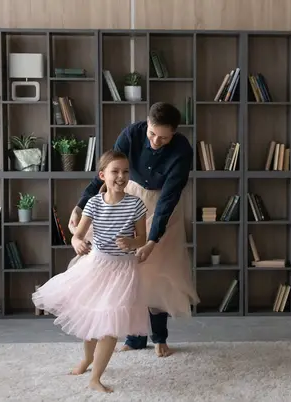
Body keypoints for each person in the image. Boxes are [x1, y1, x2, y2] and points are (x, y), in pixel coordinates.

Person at [68, 102, 199, 358]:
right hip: (127, 200)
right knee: (125, 271)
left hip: (162, 209)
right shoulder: (131, 134)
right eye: (152, 133)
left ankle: (160, 336)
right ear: (146, 124)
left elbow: (169, 199)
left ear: (174, 133)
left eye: (163, 137)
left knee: (157, 273)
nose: (155, 141)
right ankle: (135, 337)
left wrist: (151, 241)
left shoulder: (182, 150)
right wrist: (80, 205)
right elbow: (104, 174)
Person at [32, 150, 151, 393]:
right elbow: (77, 234)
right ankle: (87, 359)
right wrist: (76, 242)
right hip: (96, 266)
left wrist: (132, 242)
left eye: (125, 171)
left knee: (108, 326)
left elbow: (142, 238)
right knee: (92, 319)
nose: (121, 176)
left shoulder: (135, 204)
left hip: (122, 271)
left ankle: (95, 377)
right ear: (102, 175)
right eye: (115, 171)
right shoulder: (94, 203)